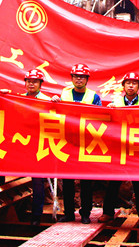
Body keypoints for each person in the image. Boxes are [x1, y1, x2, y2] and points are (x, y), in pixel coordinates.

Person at [101, 72, 139, 229]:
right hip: (120, 147)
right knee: (114, 181)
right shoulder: (116, 103)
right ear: (123, 86)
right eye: (128, 83)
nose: (131, 86)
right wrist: (109, 111)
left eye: (134, 83)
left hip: (137, 148)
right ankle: (108, 212)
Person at [52, 63, 101, 224]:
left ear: (87, 79)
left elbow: (101, 118)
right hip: (68, 142)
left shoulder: (94, 97)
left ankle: (85, 213)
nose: (79, 79)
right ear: (72, 78)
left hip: (86, 143)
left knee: (86, 181)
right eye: (76, 76)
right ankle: (69, 213)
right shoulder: (64, 95)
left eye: (82, 77)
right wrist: (54, 102)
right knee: (67, 180)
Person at [22, 69, 50, 226]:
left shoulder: (47, 101)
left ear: (40, 84)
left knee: (37, 181)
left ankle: (36, 215)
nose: (31, 84)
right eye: (29, 81)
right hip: (22, 143)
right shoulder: (18, 99)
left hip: (39, 145)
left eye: (35, 81)